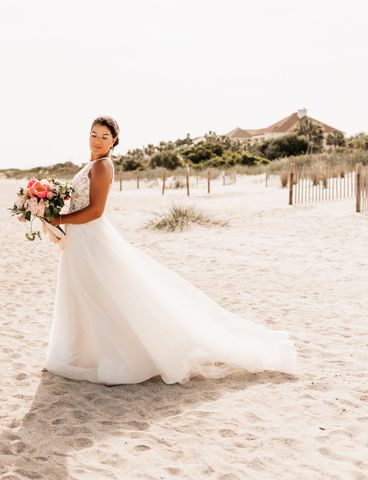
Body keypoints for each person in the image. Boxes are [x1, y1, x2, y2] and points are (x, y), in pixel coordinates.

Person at [45, 116, 298, 386]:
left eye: (104, 137)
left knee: (102, 297)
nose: (97, 140)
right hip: (79, 241)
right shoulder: (92, 164)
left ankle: (118, 358)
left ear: (114, 141)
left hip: (91, 240)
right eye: (94, 134)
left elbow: (96, 211)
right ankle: (74, 356)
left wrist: (58, 220)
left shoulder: (103, 167)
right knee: (81, 295)